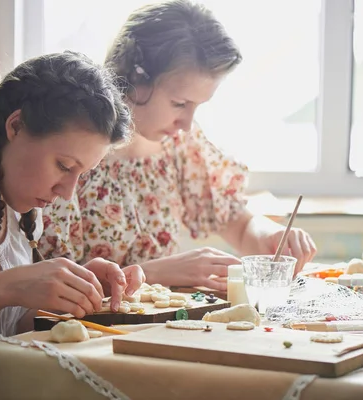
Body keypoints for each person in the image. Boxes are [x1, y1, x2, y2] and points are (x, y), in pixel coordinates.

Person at [0, 51, 145, 400]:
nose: (67, 193)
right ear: (15, 126)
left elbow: (2, 330)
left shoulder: (18, 203)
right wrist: (5, 287)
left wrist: (69, 291)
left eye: (82, 174)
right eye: (64, 166)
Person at [39, 0, 317, 292]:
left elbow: (241, 224)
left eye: (197, 106)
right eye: (179, 104)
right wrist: (154, 273)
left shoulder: (180, 146)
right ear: (136, 76)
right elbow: (51, 287)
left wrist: (273, 236)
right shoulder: (73, 154)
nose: (186, 124)